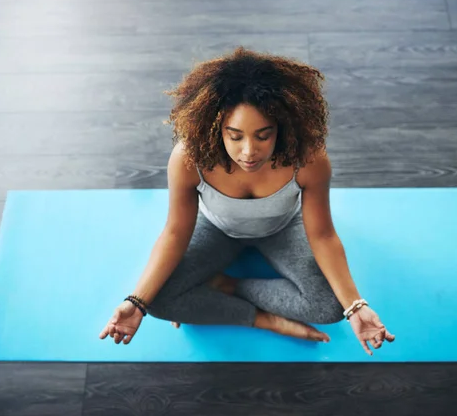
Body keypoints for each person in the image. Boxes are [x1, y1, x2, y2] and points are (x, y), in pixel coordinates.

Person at [99, 46, 395, 356]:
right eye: (235, 136)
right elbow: (175, 232)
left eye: (263, 135)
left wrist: (355, 306)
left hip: (283, 229)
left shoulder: (308, 157)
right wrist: (136, 302)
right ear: (216, 128)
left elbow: (322, 235)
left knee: (330, 306)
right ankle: (264, 321)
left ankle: (227, 285)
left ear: (281, 126)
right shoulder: (188, 158)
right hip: (217, 230)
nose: (249, 151)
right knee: (156, 300)